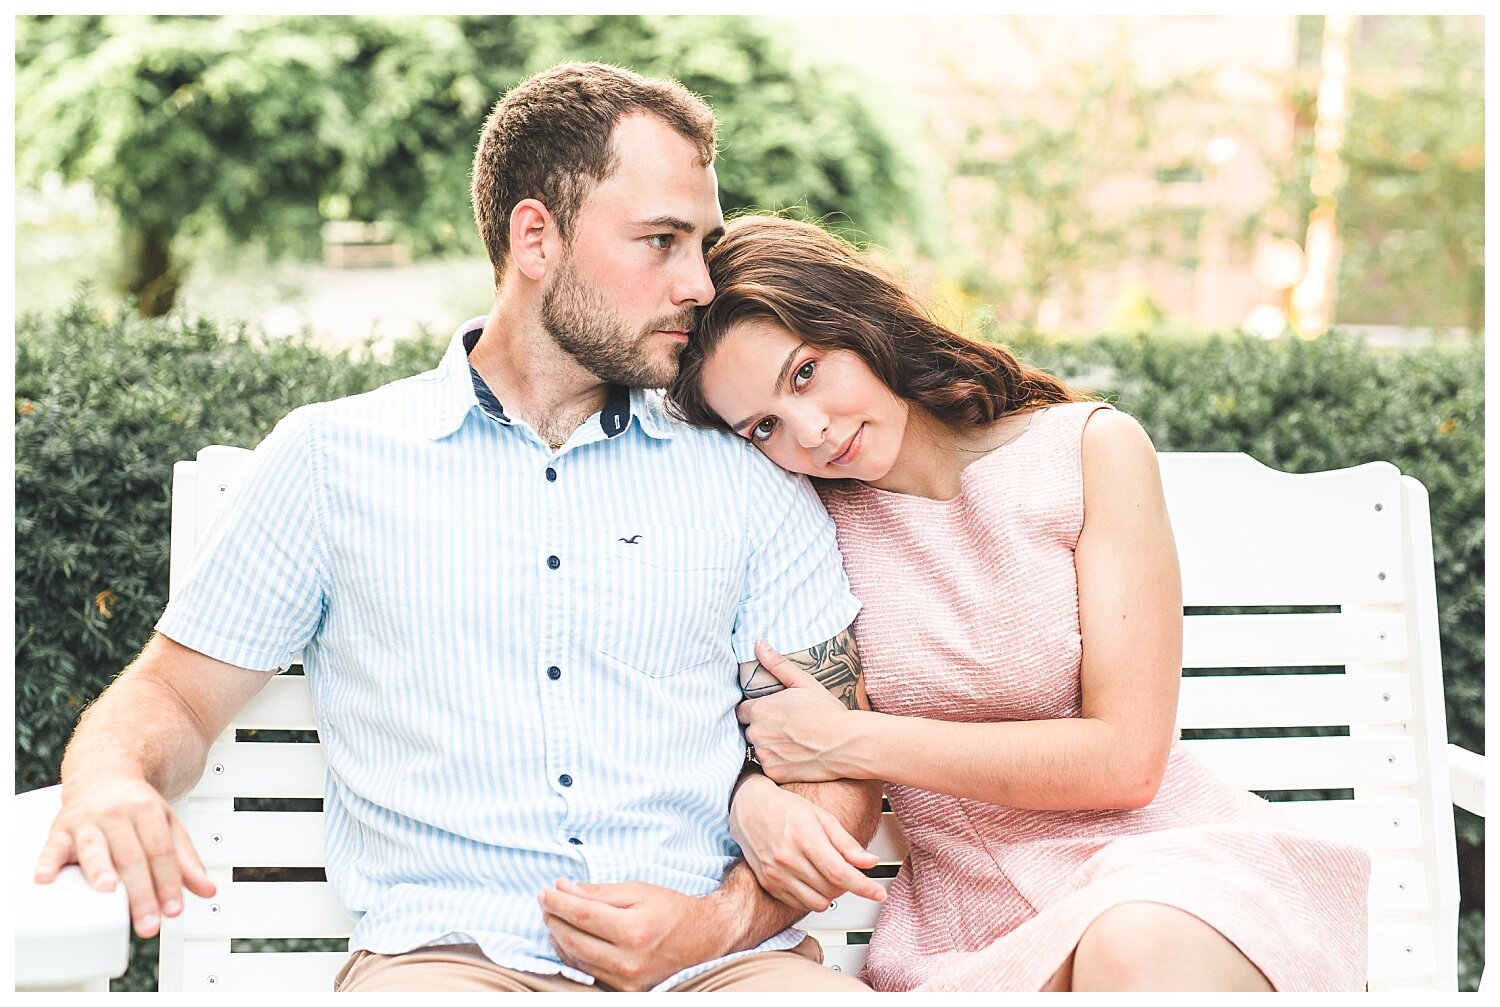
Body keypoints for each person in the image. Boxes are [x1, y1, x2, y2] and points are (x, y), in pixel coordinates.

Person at [31, 65, 889, 993]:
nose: (696, 284)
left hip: (728, 971)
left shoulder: (746, 472)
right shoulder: (331, 462)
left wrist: (722, 918)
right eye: (660, 242)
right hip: (447, 966)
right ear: (535, 237)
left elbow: (845, 756)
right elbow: (172, 696)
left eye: (704, 245)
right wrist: (111, 779)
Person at [666, 215, 1372, 993]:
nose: (811, 430)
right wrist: (751, 799)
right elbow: (743, 727)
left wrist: (855, 740)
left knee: (1136, 942)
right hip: (967, 928)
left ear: (858, 322)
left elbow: (1127, 760)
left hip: (1170, 871)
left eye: (805, 372)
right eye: (764, 425)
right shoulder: (804, 527)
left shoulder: (1087, 452)